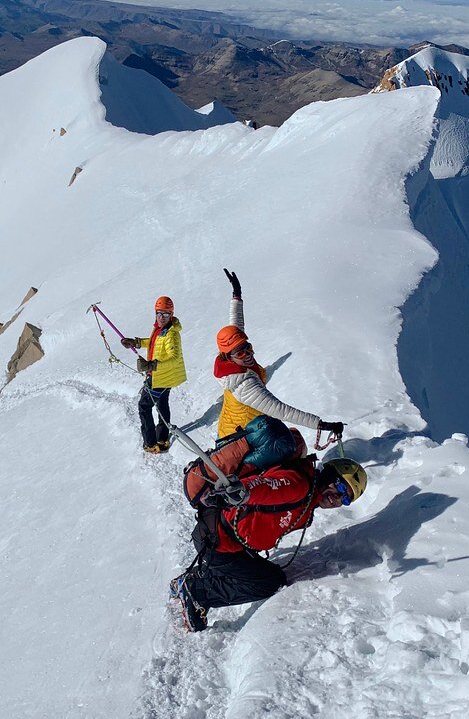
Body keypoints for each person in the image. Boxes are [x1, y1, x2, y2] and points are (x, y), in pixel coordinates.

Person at [171, 457, 367, 632]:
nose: (338, 499)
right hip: (219, 542)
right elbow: (268, 486)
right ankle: (197, 591)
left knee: (273, 576)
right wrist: (242, 491)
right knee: (267, 584)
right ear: (329, 475)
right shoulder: (299, 484)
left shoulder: (309, 501)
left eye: (346, 499)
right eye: (341, 488)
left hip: (228, 542)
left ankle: (195, 577)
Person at [215, 269, 344, 441]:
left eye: (248, 347)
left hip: (243, 428)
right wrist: (321, 425)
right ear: (229, 357)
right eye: (240, 352)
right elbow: (281, 410)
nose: (247, 354)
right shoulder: (244, 385)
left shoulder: (229, 364)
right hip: (239, 438)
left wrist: (236, 295)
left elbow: (236, 327)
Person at [121, 296, 186, 454]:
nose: (161, 318)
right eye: (158, 313)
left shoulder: (171, 334)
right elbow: (153, 342)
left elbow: (175, 358)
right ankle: (162, 439)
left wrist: (152, 365)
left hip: (160, 377)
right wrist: (135, 342)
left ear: (171, 314)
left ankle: (150, 444)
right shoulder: (160, 329)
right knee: (162, 404)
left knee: (144, 406)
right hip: (163, 377)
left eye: (165, 314)